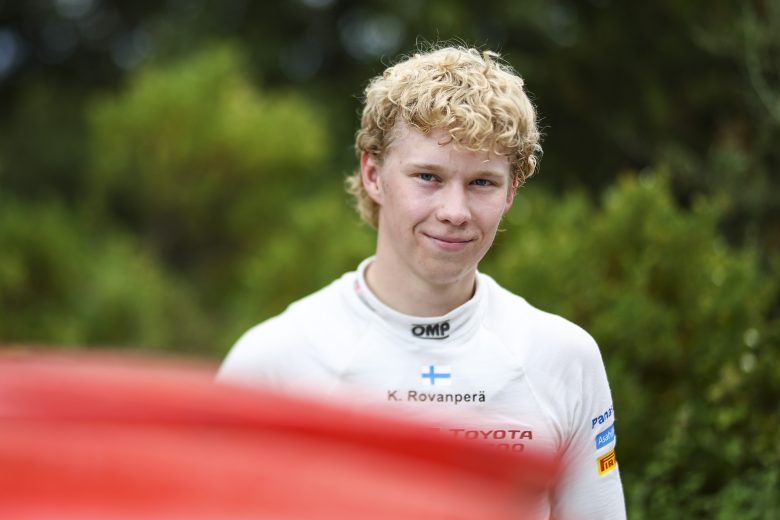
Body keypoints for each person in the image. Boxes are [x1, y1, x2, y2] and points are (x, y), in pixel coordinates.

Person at [217, 45, 626, 519]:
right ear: (373, 175)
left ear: (511, 191)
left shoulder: (564, 357)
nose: (455, 211)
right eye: (428, 176)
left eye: (482, 182)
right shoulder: (273, 359)